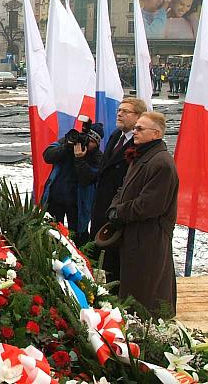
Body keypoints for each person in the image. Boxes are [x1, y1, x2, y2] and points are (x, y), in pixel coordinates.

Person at [107, 111, 178, 317]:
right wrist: (114, 207)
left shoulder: (161, 163)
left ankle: (148, 322)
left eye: (140, 128)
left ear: (156, 134)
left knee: (147, 285)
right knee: (133, 281)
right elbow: (123, 189)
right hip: (134, 232)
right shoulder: (143, 156)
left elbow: (149, 205)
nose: (134, 131)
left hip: (149, 236)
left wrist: (119, 212)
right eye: (135, 127)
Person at [90, 97, 147, 284]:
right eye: (119, 110)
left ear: (138, 117)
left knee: (115, 262)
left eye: (126, 111)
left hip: (119, 210)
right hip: (102, 205)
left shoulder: (140, 145)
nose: (120, 114)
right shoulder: (116, 135)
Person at [41, 122, 104, 245]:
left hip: (78, 203)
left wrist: (79, 159)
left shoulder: (97, 157)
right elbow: (47, 155)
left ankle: (81, 259)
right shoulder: (68, 142)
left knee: (78, 236)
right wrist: (66, 147)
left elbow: (88, 178)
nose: (85, 143)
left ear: (96, 144)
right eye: (85, 139)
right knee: (51, 232)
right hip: (56, 197)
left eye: (90, 141)